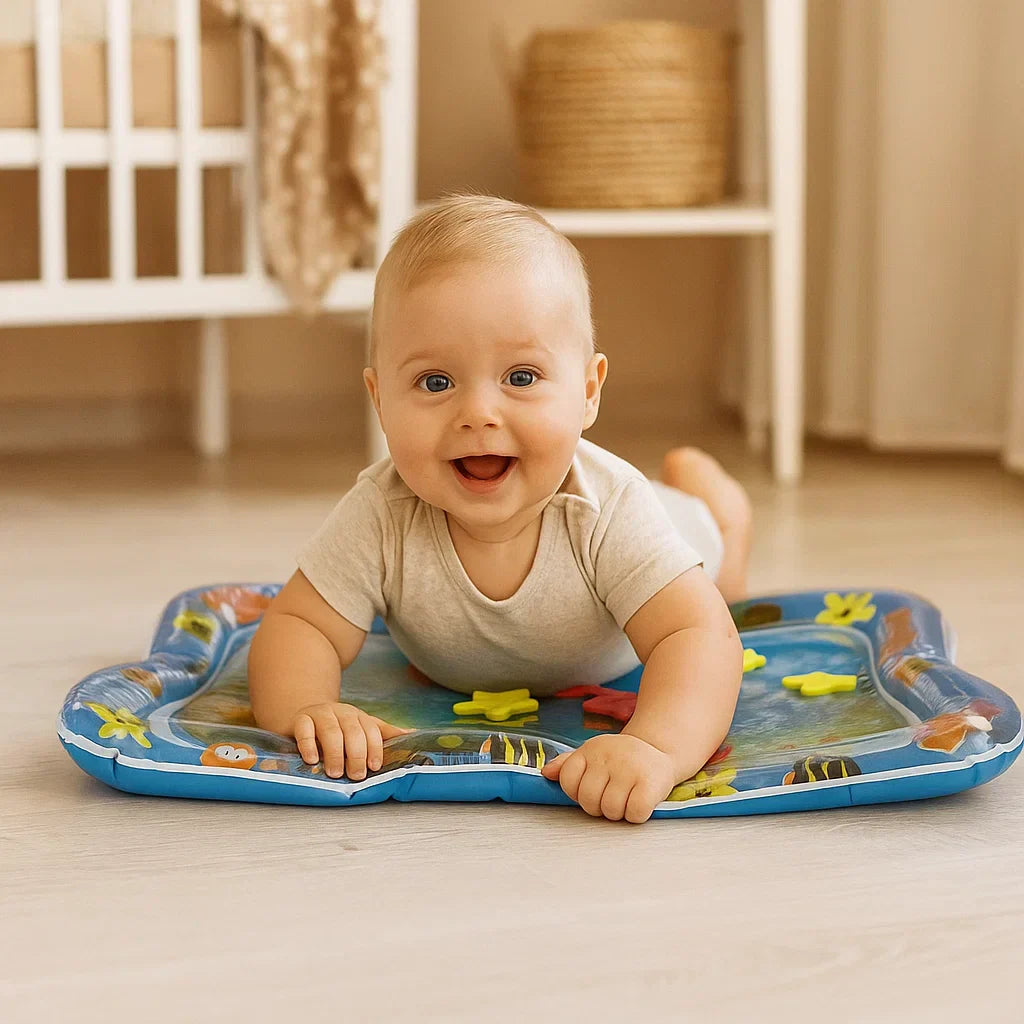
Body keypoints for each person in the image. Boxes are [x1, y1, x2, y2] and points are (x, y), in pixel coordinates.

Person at [248, 194, 752, 823]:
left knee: (719, 584)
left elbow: (698, 637)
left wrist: (655, 748)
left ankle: (718, 504)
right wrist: (307, 707)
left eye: (520, 377)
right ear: (379, 400)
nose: (478, 414)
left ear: (588, 392)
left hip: (671, 532)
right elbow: (302, 626)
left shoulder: (609, 509)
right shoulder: (381, 510)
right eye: (436, 383)